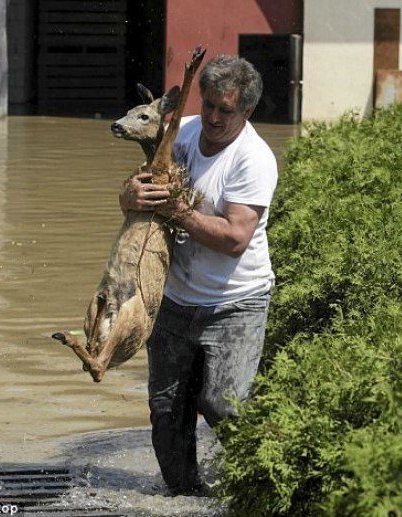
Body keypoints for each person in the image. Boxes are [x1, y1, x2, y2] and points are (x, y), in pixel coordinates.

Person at [119, 54, 278, 496]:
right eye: (207, 103)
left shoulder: (254, 159)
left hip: (235, 304)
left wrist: (180, 211)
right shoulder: (181, 132)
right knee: (167, 414)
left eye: (225, 110)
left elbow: (233, 239)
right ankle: (188, 498)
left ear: (246, 112)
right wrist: (130, 194)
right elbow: (138, 192)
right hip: (173, 302)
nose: (211, 116)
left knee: (222, 407)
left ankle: (263, 486)